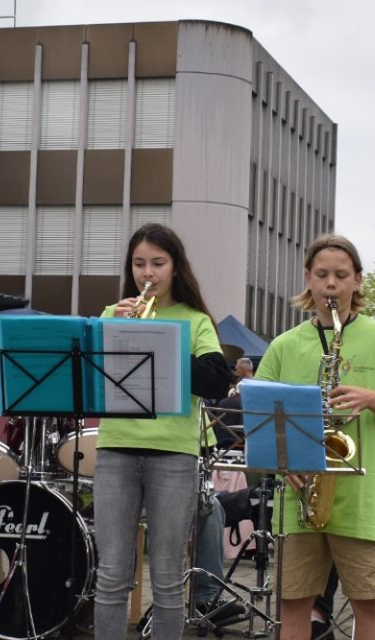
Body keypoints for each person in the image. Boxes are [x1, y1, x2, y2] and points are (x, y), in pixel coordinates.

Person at [254, 234, 375, 640]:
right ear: (307, 278)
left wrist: (372, 398)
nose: (331, 284)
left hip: (361, 497)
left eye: (341, 275)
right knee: (293, 604)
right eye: (322, 274)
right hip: (298, 495)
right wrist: (282, 462)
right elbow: (257, 417)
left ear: (358, 281)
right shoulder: (284, 345)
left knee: (369, 603)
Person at [93, 224, 234, 640]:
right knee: (111, 573)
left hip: (174, 455)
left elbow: (215, 380)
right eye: (139, 263)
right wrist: (110, 329)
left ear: (176, 267)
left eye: (158, 263)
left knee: (170, 577)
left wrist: (160, 346)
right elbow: (91, 372)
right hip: (116, 449)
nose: (147, 272)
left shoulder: (196, 320)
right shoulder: (110, 314)